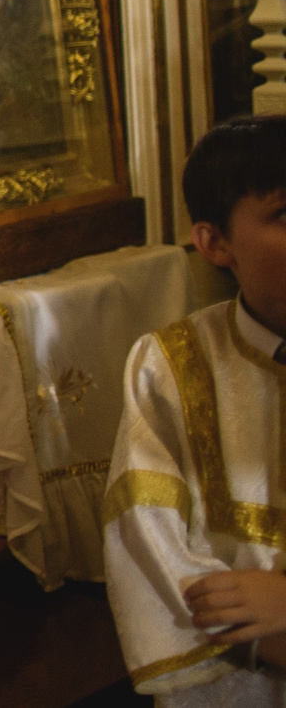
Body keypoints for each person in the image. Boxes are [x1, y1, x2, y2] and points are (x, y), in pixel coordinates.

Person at [107, 116, 286, 702]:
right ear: (214, 244)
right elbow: (148, 542)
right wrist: (261, 637)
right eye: (284, 215)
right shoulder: (168, 368)